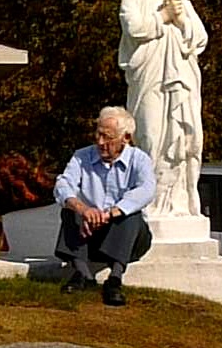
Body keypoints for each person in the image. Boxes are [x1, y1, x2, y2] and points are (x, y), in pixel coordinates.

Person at [118, 0, 208, 218]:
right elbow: (134, 29)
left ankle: (178, 203)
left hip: (181, 81)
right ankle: (148, 200)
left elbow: (200, 38)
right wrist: (165, 17)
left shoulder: (183, 3)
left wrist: (181, 21)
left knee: (182, 137)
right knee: (149, 135)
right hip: (149, 78)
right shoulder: (133, 1)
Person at [53, 106, 156, 307]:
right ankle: (82, 274)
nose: (100, 142)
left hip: (126, 237)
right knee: (69, 210)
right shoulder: (82, 156)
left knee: (129, 214)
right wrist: (83, 209)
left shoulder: (139, 159)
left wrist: (110, 214)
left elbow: (146, 190)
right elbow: (63, 184)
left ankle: (115, 279)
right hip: (89, 233)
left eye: (107, 137)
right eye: (98, 135)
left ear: (125, 138)